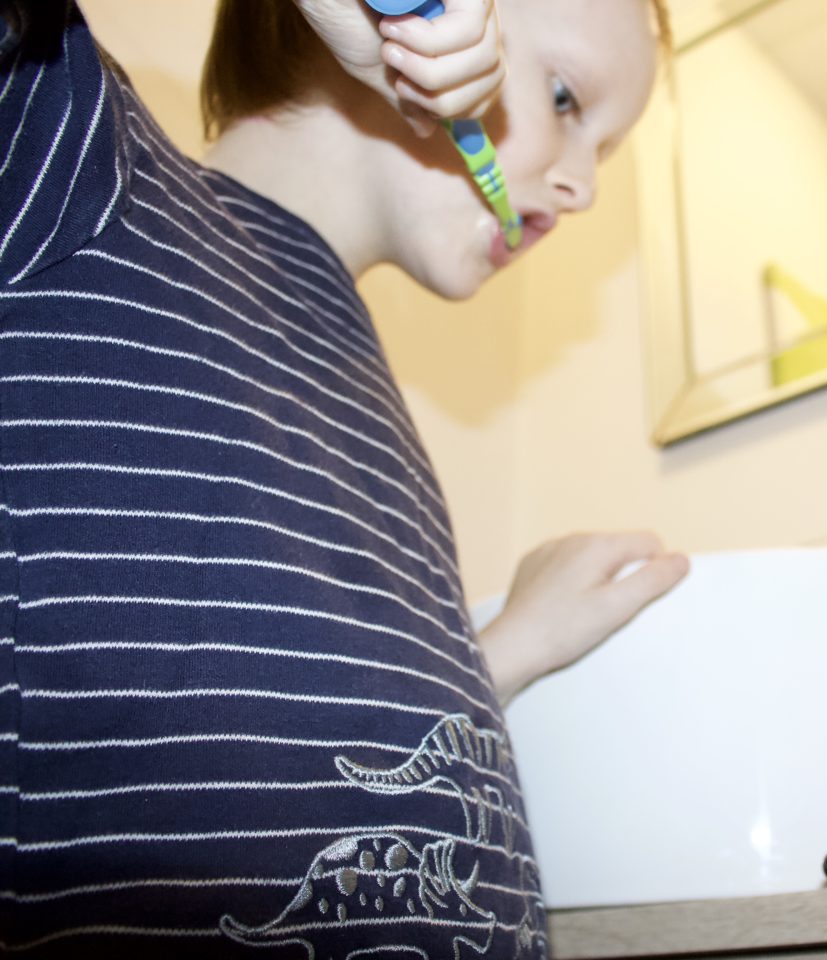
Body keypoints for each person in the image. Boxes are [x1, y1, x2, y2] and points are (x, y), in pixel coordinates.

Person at [0, 0, 686, 955]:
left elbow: (288, 742)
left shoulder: (368, 405)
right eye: (567, 98)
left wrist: (494, 662)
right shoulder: (82, 167)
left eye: (606, 154)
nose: (582, 190)